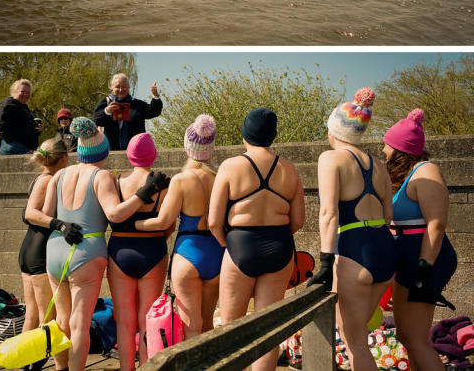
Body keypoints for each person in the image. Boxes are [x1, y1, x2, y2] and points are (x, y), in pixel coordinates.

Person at [42, 118, 166, 371]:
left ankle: (60, 368)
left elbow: (45, 215)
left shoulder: (59, 175)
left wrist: (62, 225)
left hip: (55, 249)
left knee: (62, 320)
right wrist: (144, 193)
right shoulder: (101, 176)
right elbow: (115, 215)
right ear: (103, 151)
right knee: (79, 323)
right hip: (86, 253)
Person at [208, 107, 305, 371]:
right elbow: (298, 221)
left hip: (240, 244)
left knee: (231, 329)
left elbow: (214, 222)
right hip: (279, 247)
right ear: (273, 136)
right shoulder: (289, 169)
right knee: (268, 331)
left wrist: (227, 244)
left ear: (245, 134)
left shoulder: (230, 166)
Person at [308, 88, 395, 371]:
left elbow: (328, 213)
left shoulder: (331, 159)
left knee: (353, 340)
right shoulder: (379, 165)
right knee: (359, 336)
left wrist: (324, 260)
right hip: (384, 250)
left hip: (356, 249)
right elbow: (388, 214)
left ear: (336, 130)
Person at [136, 114, 223, 338]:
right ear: (211, 147)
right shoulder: (222, 176)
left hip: (188, 253)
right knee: (207, 326)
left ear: (187, 147)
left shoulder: (181, 180)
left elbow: (163, 222)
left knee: (190, 326)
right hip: (217, 252)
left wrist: (135, 223)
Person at [384, 108, 457, 370]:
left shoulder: (427, 172)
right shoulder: (409, 176)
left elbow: (436, 224)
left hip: (424, 260)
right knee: (407, 336)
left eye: (387, 146)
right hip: (409, 260)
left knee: (415, 338)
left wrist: (423, 270)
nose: (383, 151)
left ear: (399, 149)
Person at [107, 132, 170, 369]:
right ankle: (146, 367)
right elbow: (168, 226)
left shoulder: (116, 181)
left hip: (120, 250)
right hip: (153, 249)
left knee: (124, 320)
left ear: (129, 156)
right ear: (152, 155)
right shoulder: (164, 184)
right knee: (147, 320)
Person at [18, 138, 73, 371]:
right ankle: (36, 366)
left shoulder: (40, 178)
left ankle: (25, 363)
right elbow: (31, 213)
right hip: (39, 253)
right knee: (47, 318)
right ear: (63, 158)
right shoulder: (48, 180)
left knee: (32, 314)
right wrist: (59, 224)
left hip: (29, 249)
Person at [93, 73, 162, 151]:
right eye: (117, 87)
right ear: (112, 88)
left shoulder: (136, 104)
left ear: (128, 87)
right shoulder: (106, 102)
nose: (121, 90)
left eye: (124, 87)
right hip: (112, 151)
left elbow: (154, 112)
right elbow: (97, 120)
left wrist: (155, 96)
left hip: (136, 151)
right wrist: (107, 111)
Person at [0, 79, 42, 155]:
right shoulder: (8, 104)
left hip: (26, 148)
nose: (25, 95)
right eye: (22, 92)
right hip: (13, 149)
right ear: (14, 92)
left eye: (28, 93)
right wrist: (12, 144)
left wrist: (38, 130)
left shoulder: (26, 109)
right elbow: (0, 125)